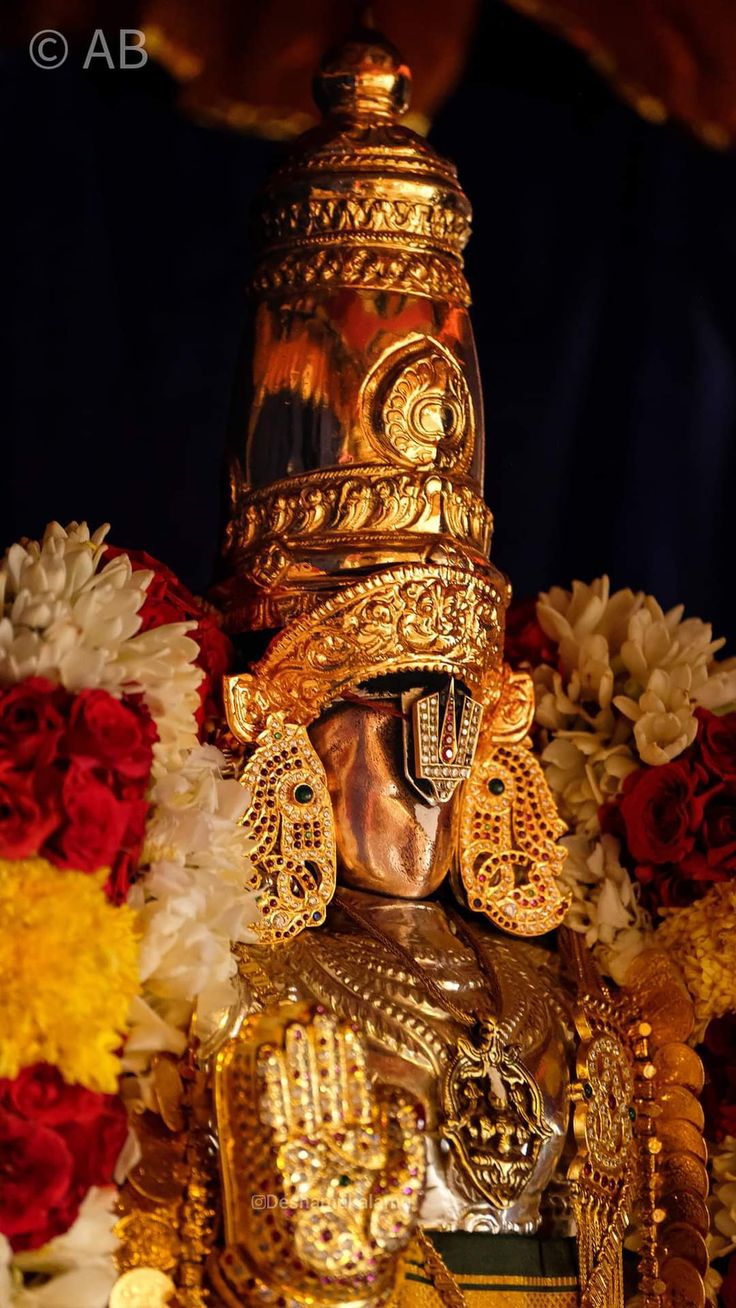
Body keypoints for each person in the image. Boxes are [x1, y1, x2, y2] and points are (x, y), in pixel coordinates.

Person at [115, 30, 707, 1308]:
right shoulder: (233, 994)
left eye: (455, 729)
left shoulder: (565, 996)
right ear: (297, 735)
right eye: (388, 721)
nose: (425, 779)